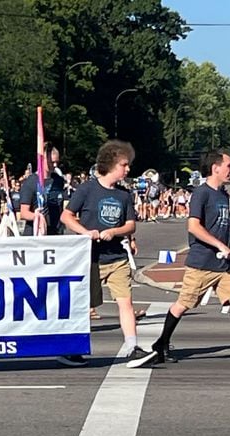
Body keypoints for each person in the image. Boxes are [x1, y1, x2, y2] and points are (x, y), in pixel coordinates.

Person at [142, 150, 230, 367]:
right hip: (202, 263)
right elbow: (194, 226)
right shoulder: (202, 193)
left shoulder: (223, 194)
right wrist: (220, 245)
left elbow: (225, 225)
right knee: (184, 304)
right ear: (215, 168)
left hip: (224, 265)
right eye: (229, 165)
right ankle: (161, 343)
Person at [61, 140, 156, 368]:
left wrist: (115, 231)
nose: (128, 169)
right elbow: (67, 216)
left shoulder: (124, 195)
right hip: (90, 257)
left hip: (117, 258)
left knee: (126, 302)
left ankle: (132, 347)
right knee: (83, 305)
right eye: (124, 165)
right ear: (112, 164)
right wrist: (86, 232)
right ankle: (71, 348)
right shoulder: (87, 189)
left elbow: (130, 225)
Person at [20, 146, 66, 236]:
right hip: (36, 232)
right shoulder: (30, 182)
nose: (55, 165)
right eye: (52, 162)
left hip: (56, 232)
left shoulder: (59, 180)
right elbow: (23, 213)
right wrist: (36, 216)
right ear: (42, 160)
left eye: (57, 162)